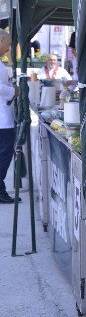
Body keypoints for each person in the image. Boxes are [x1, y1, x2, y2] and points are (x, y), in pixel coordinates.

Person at [0, 29, 19, 203]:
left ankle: (1, 188)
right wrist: (15, 91)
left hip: (4, 117)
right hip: (2, 121)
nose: (8, 49)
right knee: (4, 155)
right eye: (8, 44)